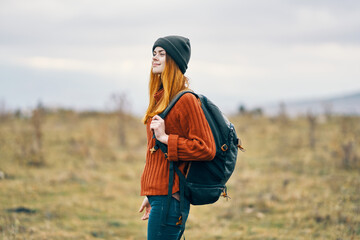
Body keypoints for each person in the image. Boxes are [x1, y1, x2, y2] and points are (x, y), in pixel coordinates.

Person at [138, 35, 216, 240]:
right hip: (160, 197)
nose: (154, 58)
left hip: (170, 199)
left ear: (174, 60)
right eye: (154, 53)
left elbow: (206, 148)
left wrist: (165, 138)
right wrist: (152, 193)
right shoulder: (161, 99)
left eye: (161, 54)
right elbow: (156, 156)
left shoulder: (186, 100)